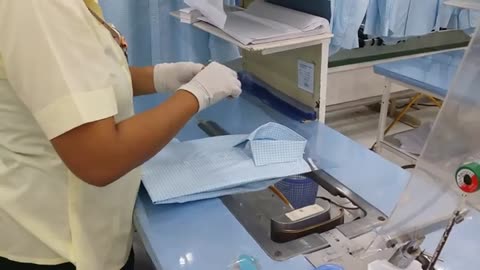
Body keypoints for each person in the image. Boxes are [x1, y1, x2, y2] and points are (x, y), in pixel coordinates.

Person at [0, 1, 242, 270]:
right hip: (55, 244)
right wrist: (196, 95)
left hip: (81, 230)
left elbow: (78, 82)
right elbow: (99, 159)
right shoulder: (40, 7)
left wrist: (159, 77)